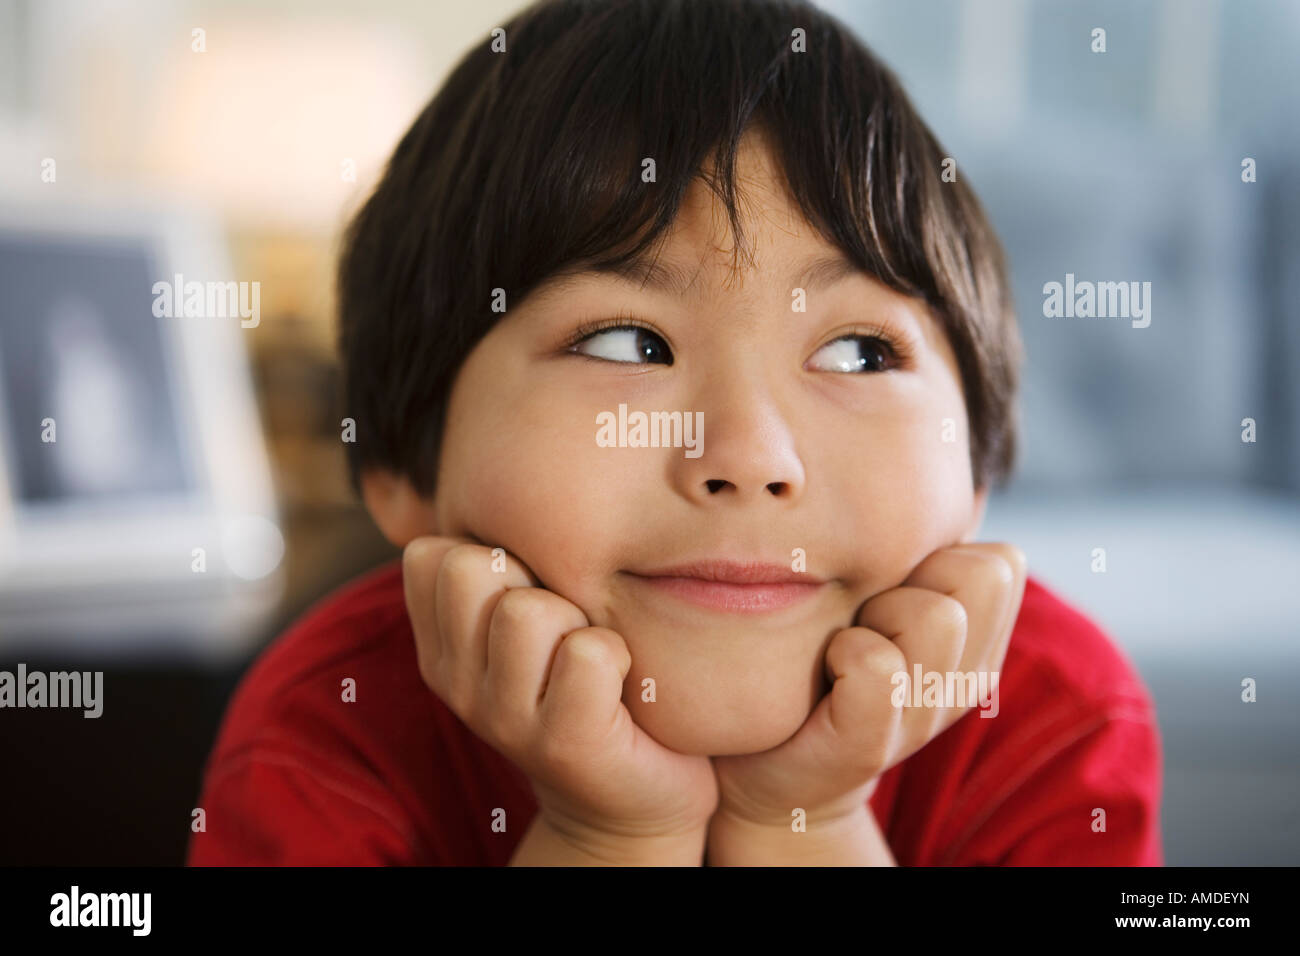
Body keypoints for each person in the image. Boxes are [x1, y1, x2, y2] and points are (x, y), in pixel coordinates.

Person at [188, 0, 1161, 866]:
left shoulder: (1051, 715)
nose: (748, 456)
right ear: (406, 463)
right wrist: (608, 834)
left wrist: (809, 823)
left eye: (860, 352)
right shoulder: (331, 730)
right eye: (624, 341)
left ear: (978, 465)